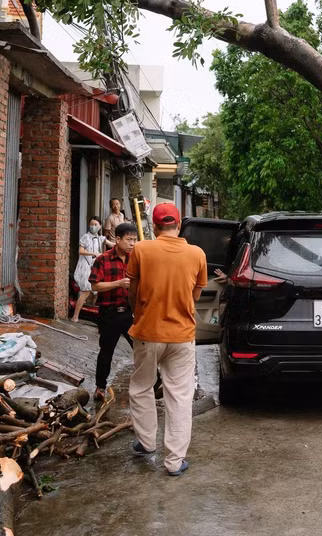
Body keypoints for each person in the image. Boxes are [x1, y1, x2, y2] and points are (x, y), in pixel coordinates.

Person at [126, 202, 206, 477]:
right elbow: (195, 296)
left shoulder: (141, 249)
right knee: (180, 397)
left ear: (156, 227)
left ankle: (147, 442)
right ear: (179, 225)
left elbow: (133, 290)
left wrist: (139, 314)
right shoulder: (197, 254)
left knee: (141, 387)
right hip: (182, 336)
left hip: (148, 332)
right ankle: (174, 461)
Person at [88, 222, 139, 397]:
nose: (132, 244)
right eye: (128, 240)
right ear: (117, 239)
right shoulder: (102, 259)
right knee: (106, 351)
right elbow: (95, 286)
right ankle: (100, 387)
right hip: (108, 313)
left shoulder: (136, 259)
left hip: (130, 313)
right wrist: (118, 283)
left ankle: (154, 382)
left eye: (134, 240)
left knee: (141, 349)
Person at [71, 218, 103, 322]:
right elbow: (81, 251)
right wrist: (93, 254)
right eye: (91, 224)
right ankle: (75, 316)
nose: (93, 226)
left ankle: (93, 315)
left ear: (100, 226)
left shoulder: (99, 238)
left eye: (95, 224)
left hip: (93, 267)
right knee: (86, 291)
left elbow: (110, 243)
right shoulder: (86, 237)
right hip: (85, 267)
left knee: (96, 291)